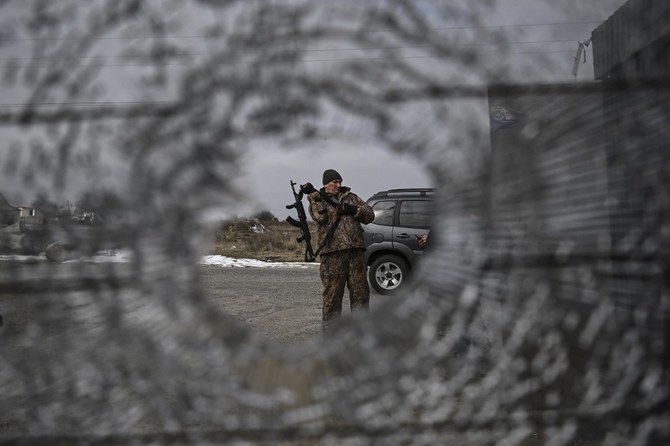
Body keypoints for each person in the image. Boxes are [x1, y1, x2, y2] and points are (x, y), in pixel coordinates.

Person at [301, 169, 375, 334]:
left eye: (339, 181)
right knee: (333, 298)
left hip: (356, 253)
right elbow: (320, 217)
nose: (338, 185)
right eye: (334, 182)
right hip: (332, 255)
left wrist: (353, 209)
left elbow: (370, 215)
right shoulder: (317, 199)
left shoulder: (351, 197)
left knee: (361, 296)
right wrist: (315, 197)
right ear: (325, 184)